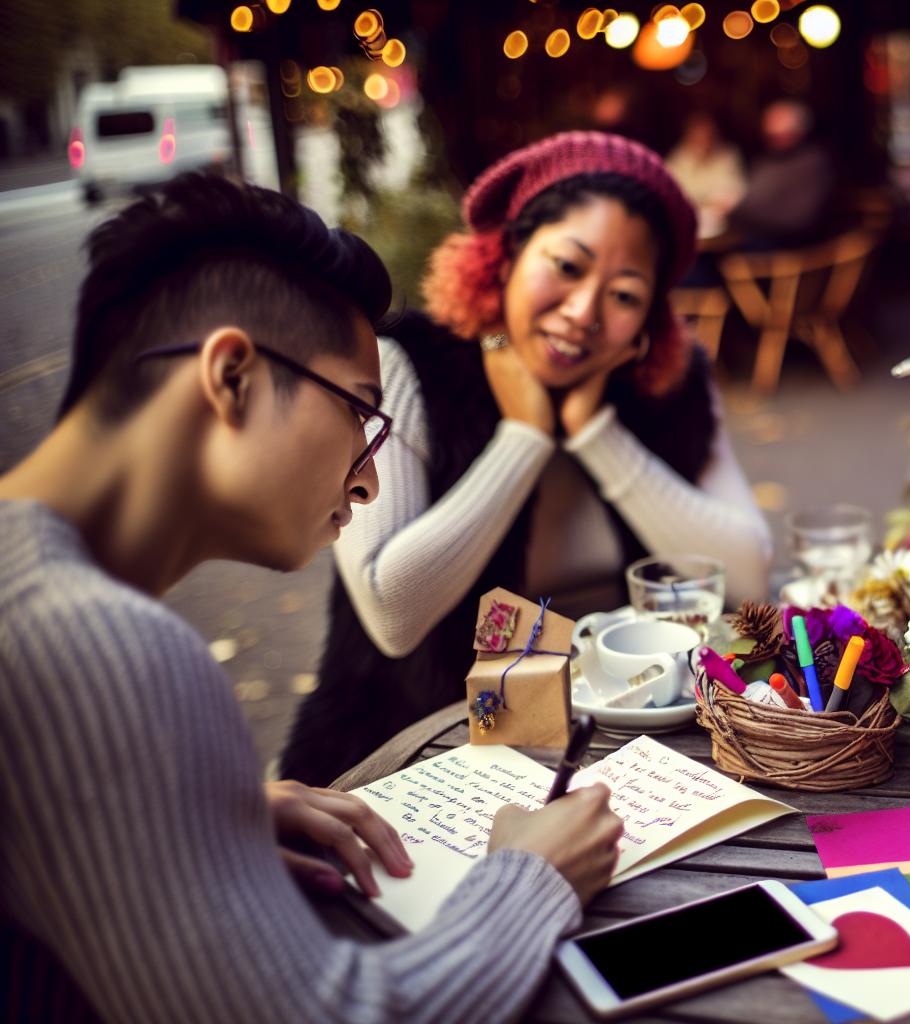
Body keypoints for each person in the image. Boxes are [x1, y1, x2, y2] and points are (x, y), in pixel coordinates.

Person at [0, 173, 624, 1021]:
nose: (369, 483)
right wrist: (532, 876)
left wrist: (183, 819)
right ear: (231, 377)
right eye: (360, 412)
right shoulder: (99, 646)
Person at [282, 132, 772, 787]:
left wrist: (594, 431)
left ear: (648, 319)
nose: (583, 312)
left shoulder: (674, 391)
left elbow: (748, 576)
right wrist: (524, 438)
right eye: (567, 266)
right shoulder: (405, 367)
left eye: (625, 295)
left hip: (626, 754)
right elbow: (392, 616)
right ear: (505, 256)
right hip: (411, 759)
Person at [727, 99, 839, 248]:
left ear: (799, 132)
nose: (774, 139)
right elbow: (751, 197)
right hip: (749, 234)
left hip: (785, 247)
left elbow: (798, 221)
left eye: (781, 134)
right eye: (770, 135)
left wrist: (738, 210)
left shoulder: (812, 164)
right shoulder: (766, 162)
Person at [665, 109, 746, 234]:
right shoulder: (678, 157)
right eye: (697, 136)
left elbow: (735, 191)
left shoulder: (728, 156)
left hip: (722, 225)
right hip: (686, 224)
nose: (703, 140)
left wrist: (716, 206)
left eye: (708, 136)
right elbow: (671, 193)